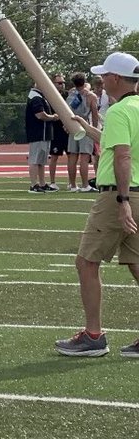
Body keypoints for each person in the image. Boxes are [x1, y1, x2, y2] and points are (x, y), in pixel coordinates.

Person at [54, 52, 139, 358]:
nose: (101, 81)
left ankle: (93, 336)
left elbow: (122, 155)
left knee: (87, 262)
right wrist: (86, 128)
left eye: (105, 76)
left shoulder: (119, 110)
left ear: (115, 78)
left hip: (118, 194)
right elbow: (119, 144)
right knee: (136, 263)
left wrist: (122, 200)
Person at [25, 78, 60, 193]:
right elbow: (40, 115)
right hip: (38, 133)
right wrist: (53, 117)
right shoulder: (36, 97)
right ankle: (34, 184)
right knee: (35, 159)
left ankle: (42, 183)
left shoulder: (40, 96)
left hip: (44, 134)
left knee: (41, 160)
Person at [65, 72, 99, 192]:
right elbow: (95, 114)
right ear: (84, 82)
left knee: (72, 157)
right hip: (84, 126)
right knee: (84, 157)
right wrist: (94, 129)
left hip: (73, 125)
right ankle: (85, 185)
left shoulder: (71, 94)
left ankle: (73, 185)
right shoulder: (91, 96)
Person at [48, 73, 69, 190]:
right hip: (56, 130)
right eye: (59, 83)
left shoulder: (67, 95)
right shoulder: (50, 96)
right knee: (54, 156)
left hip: (67, 130)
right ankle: (52, 182)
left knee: (71, 156)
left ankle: (71, 182)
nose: (62, 85)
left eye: (63, 83)